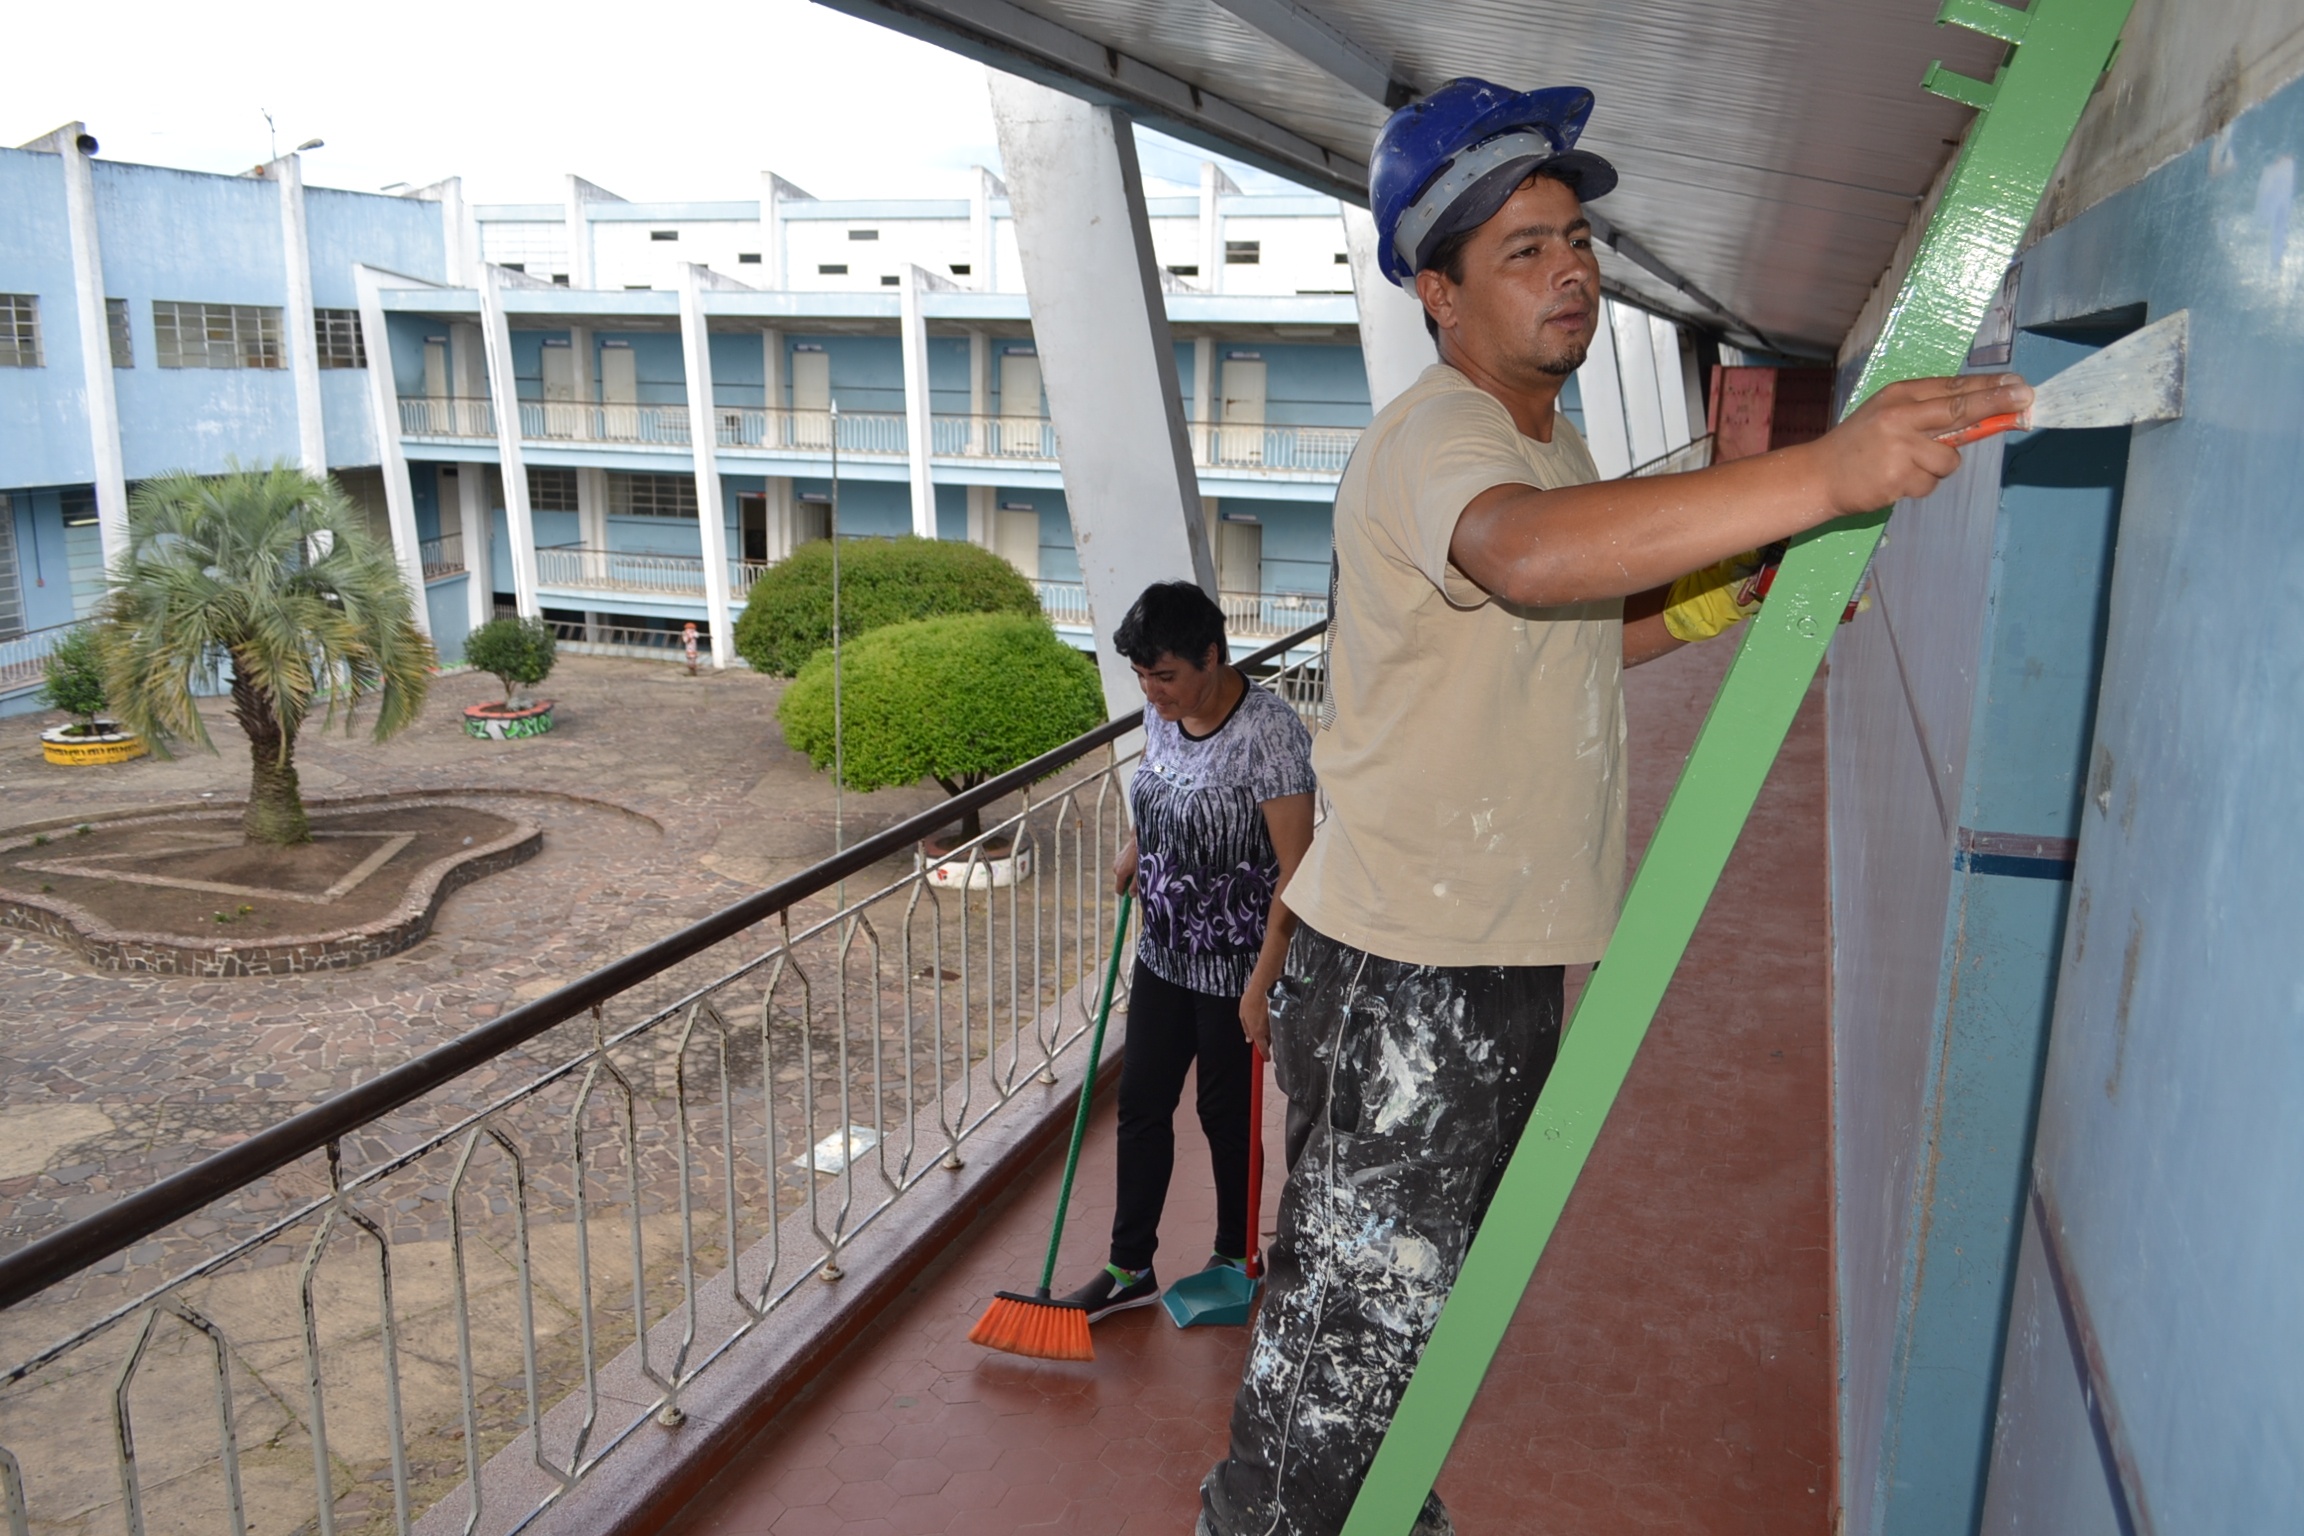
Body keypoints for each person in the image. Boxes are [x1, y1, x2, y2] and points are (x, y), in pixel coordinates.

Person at [1198, 79, 2033, 1536]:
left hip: (1488, 960)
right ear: (1436, 292)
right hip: (1411, 972)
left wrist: (1713, 599)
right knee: (1333, 1373)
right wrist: (1822, 471)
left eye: (1574, 237)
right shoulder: (1441, 440)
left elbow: (1562, 621)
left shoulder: (1550, 444)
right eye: (1521, 250)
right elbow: (1524, 562)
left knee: (1406, 1333)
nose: (1571, 266)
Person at [1061, 581, 1317, 1321]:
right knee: (1140, 1104)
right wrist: (1140, 845)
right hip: (1165, 951)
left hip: (1239, 961)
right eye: (1143, 677)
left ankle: (1237, 1255)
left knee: (1225, 1115)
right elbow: (1165, 788)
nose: (1152, 691)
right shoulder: (1164, 709)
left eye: (1165, 675)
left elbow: (1295, 871)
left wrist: (1262, 984)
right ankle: (1128, 1264)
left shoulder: (1269, 732)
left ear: (1212, 655)